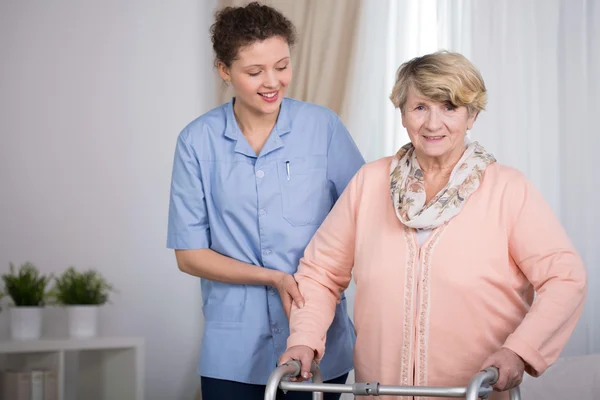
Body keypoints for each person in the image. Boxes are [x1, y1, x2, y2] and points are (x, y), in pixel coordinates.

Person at [279, 51, 587, 400]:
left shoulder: (508, 190)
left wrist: (520, 350)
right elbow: (320, 272)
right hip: (380, 392)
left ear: (472, 115)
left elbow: (565, 278)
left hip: (473, 391)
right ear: (403, 114)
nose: (433, 123)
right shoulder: (369, 183)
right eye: (420, 107)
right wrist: (304, 339)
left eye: (450, 107)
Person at [166, 2, 364, 400]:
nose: (272, 81)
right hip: (233, 350)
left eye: (282, 66)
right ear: (224, 70)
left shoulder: (322, 127)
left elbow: (364, 218)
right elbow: (189, 255)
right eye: (255, 72)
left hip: (318, 339)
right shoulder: (196, 142)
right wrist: (273, 277)